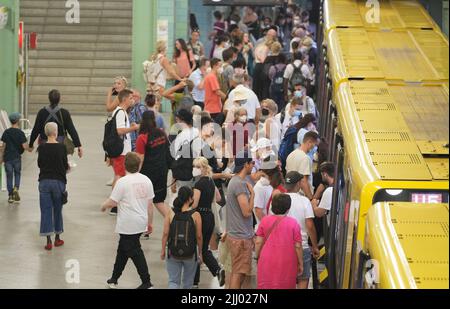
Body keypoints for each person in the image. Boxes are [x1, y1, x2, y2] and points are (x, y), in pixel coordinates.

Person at [101, 152, 155, 289]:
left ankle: (147, 282)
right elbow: (150, 205)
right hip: (140, 222)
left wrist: (103, 206)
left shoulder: (122, 182)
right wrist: (149, 223)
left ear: (125, 165)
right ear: (139, 165)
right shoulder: (146, 180)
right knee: (123, 251)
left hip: (128, 224)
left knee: (135, 251)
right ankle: (114, 279)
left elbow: (113, 201)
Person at [255, 194, 303, 289]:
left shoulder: (265, 220)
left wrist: (257, 256)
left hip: (267, 259)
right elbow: (298, 246)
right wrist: (300, 263)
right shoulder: (293, 223)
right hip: (287, 261)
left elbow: (258, 242)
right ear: (288, 208)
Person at [191, 157, 226, 287]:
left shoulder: (198, 184)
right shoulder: (211, 182)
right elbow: (218, 198)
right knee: (204, 248)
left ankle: (194, 281)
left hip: (200, 217)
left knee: (196, 248)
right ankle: (217, 270)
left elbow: (194, 204)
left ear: (204, 168)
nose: (195, 169)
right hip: (210, 216)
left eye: (197, 167)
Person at [161, 187, 203, 289]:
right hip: (190, 253)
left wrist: (163, 250)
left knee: (173, 281)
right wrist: (200, 253)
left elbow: (165, 233)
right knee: (188, 283)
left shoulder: (170, 213)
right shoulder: (196, 215)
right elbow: (199, 236)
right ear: (190, 199)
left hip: (173, 252)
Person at [284, 171, 320, 289]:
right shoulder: (304, 201)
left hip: (284, 247)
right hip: (302, 246)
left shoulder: (279, 200)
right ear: (298, 184)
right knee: (303, 279)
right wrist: (315, 246)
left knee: (286, 279)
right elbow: (309, 225)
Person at [225, 151, 255, 289]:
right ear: (246, 164)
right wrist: (253, 194)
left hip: (238, 234)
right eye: (252, 163)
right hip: (240, 238)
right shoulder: (239, 184)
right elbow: (247, 212)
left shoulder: (235, 181)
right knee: (238, 273)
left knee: (239, 272)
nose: (253, 166)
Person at [38, 122, 69, 251]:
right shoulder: (62, 148)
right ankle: (57, 238)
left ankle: (48, 241)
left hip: (44, 181)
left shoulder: (41, 147)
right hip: (58, 182)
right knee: (57, 209)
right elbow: (65, 165)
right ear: (56, 132)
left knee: (45, 210)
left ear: (46, 133)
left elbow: (40, 164)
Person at [136, 111, 172, 220]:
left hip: (148, 174)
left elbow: (140, 159)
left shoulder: (142, 138)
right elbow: (168, 150)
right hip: (162, 171)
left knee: (145, 201)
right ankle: (174, 221)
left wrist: (135, 174)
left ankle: (147, 227)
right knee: (159, 201)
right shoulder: (161, 133)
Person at [109, 89, 139, 215]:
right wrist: (132, 128)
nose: (133, 100)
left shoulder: (122, 112)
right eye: (131, 98)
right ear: (125, 99)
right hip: (121, 150)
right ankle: (114, 204)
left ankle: (116, 201)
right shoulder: (121, 112)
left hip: (122, 149)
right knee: (119, 176)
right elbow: (119, 130)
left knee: (119, 175)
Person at [29, 89, 83, 158]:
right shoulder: (64, 113)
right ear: (59, 99)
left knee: (45, 164)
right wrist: (79, 145)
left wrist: (31, 144)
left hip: (45, 144)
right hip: (60, 145)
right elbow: (72, 130)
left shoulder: (42, 112)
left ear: (49, 99)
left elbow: (36, 129)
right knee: (60, 164)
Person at [1, 112, 30, 203]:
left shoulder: (6, 132)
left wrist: (1, 158)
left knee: (9, 176)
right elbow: (25, 146)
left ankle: (10, 196)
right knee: (17, 174)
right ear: (18, 121)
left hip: (8, 158)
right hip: (17, 158)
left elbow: (2, 147)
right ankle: (16, 188)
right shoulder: (20, 133)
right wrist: (30, 148)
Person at [286, 131, 320, 200]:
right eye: (315, 145)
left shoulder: (291, 155)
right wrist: (311, 198)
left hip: (290, 194)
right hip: (301, 197)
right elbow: (304, 181)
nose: (315, 148)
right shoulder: (305, 158)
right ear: (309, 142)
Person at [170, 109, 199, 191]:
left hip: (184, 174)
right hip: (198, 171)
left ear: (180, 120)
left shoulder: (180, 137)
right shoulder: (198, 132)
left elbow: (176, 160)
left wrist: (173, 179)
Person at [204, 58, 227, 125]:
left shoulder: (211, 76)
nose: (221, 68)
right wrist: (227, 99)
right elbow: (218, 91)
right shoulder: (212, 77)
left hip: (213, 107)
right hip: (213, 109)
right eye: (220, 66)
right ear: (214, 66)